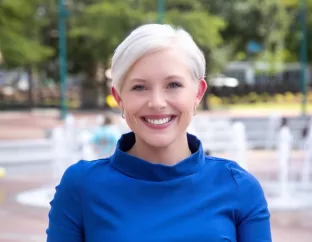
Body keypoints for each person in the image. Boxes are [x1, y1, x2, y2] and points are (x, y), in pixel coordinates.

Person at [46, 24, 272, 241]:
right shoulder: (81, 186)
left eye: (173, 85)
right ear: (119, 98)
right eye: (139, 87)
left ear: (197, 93)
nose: (157, 103)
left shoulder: (239, 187)